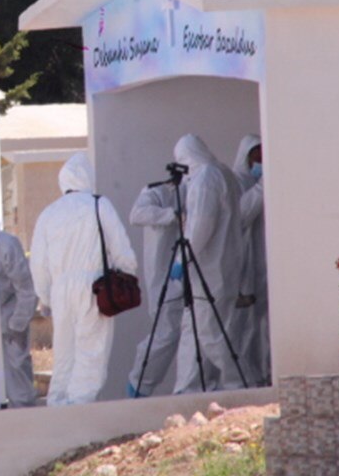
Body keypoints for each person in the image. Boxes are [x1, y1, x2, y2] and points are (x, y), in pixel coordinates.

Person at [30, 153, 138, 406]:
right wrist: (128, 275)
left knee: (65, 355)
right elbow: (120, 247)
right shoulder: (99, 204)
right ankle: (81, 410)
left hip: (60, 292)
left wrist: (46, 297)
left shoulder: (49, 213)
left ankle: (57, 406)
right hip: (93, 286)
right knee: (91, 352)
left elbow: (38, 262)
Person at [171, 134, 245, 394]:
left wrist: (182, 258)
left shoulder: (205, 179)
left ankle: (240, 382)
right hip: (220, 265)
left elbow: (201, 226)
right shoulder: (223, 173)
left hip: (211, 270)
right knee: (195, 330)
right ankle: (189, 387)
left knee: (212, 333)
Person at [126, 180, 185, 398]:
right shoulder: (156, 192)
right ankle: (139, 384)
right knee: (165, 333)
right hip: (164, 279)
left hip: (188, 274)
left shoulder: (197, 187)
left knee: (194, 334)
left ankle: (192, 387)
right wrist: (172, 215)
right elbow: (137, 215)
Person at [231, 134, 270, 387]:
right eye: (257, 156)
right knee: (246, 329)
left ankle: (266, 373)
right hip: (244, 265)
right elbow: (242, 215)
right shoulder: (236, 182)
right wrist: (261, 188)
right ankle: (248, 379)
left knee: (265, 325)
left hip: (264, 264)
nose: (261, 161)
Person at [0, 230, 39, 408]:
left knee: (18, 382)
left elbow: (27, 289)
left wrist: (17, 325)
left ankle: (27, 426)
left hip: (7, 320)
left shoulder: (5, 244)